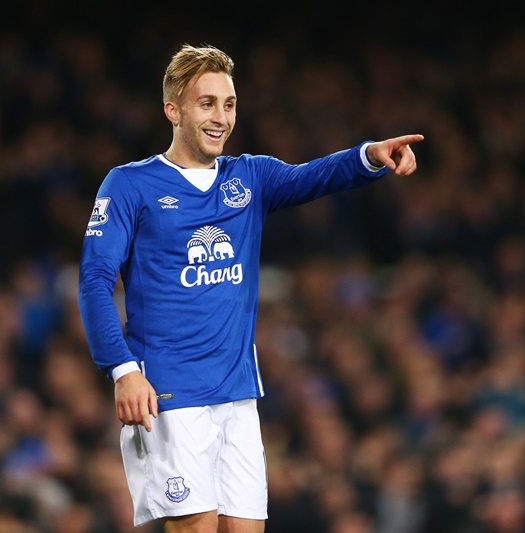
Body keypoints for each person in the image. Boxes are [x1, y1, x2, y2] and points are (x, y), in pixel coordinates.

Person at [77, 43, 423, 533]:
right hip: (171, 393)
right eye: (207, 103)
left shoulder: (249, 177)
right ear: (173, 110)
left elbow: (313, 176)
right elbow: (94, 280)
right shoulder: (130, 185)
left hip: (238, 394)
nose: (221, 117)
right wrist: (122, 370)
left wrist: (369, 155)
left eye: (229, 104)